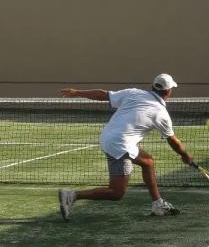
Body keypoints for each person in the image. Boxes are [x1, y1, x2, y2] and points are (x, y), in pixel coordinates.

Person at [58, 73, 196, 221]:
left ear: (153, 86)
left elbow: (103, 95)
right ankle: (158, 204)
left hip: (107, 138)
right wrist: (185, 155)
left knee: (130, 179)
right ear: (168, 91)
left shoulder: (133, 93)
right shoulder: (161, 113)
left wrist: (77, 92)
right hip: (119, 143)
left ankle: (157, 204)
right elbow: (173, 140)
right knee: (136, 173)